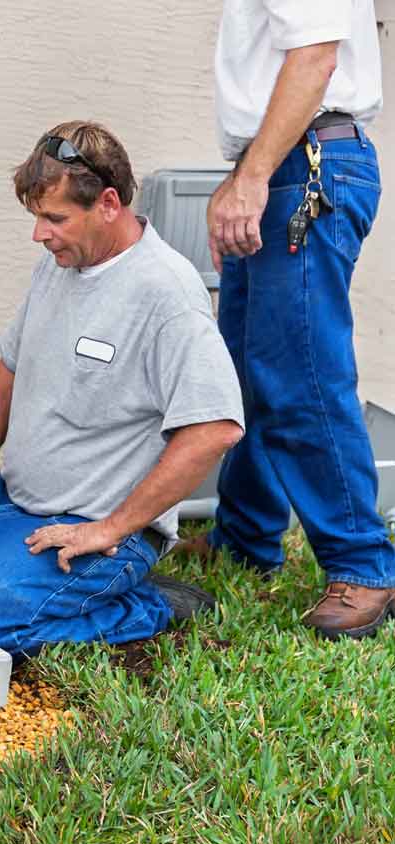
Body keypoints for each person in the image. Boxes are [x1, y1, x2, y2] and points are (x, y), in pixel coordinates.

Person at [0, 121, 245, 658]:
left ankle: (148, 606)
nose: (39, 234)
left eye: (55, 218)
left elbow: (215, 429)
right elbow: (11, 367)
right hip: (11, 500)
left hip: (95, 526)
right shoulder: (60, 264)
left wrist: (111, 528)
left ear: (109, 203)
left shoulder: (165, 293)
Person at [180, 1, 393, 639]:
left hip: (304, 168)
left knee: (299, 373)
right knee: (247, 369)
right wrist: (249, 177)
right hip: (285, 165)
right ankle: (246, 536)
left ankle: (364, 566)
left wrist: (250, 177)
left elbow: (316, 57)